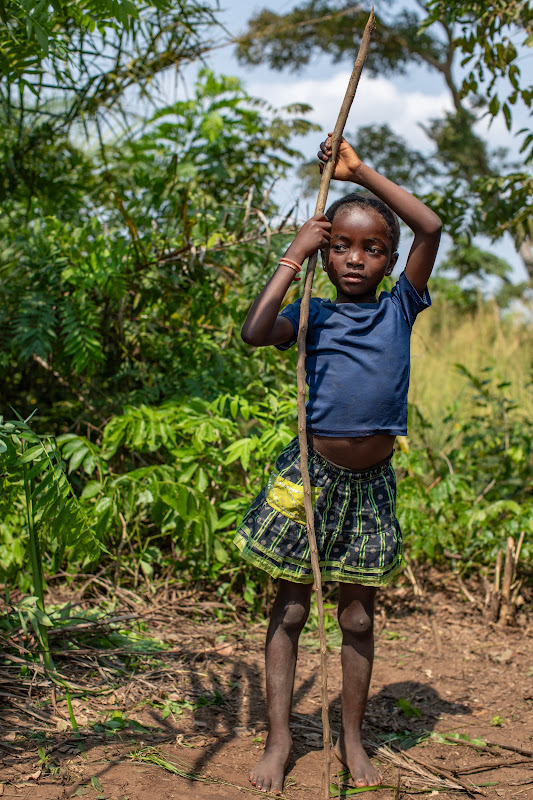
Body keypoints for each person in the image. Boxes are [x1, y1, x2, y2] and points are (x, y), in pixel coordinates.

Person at [235, 134, 442, 794]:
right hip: (310, 481)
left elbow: (429, 225)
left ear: (388, 261)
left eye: (372, 248)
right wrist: (291, 256)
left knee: (356, 616)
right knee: (290, 611)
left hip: (369, 486)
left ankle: (351, 738)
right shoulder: (311, 315)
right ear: (325, 255)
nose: (355, 258)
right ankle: (278, 740)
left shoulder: (397, 308)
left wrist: (357, 172)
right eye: (340, 246)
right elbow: (253, 330)